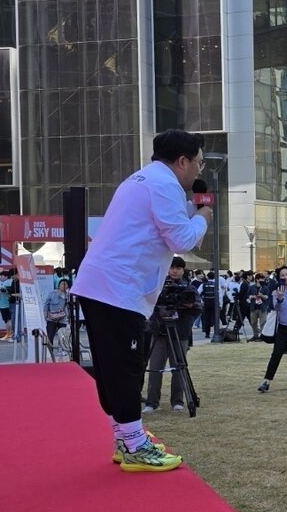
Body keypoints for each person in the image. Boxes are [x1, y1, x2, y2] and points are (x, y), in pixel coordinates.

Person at [70, 129, 212, 472]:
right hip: (118, 290)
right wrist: (202, 218)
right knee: (127, 366)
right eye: (198, 163)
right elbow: (181, 239)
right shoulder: (164, 185)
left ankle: (125, 438)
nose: (198, 171)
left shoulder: (140, 179)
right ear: (182, 161)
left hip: (104, 286)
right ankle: (135, 444)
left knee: (114, 367)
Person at [143, 257, 199, 413]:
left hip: (179, 332)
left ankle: (178, 401)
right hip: (159, 332)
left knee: (179, 367)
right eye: (172, 267)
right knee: (155, 367)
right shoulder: (158, 286)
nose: (175, 271)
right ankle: (151, 402)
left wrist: (188, 305)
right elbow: (147, 304)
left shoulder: (189, 288)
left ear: (183, 270)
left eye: (178, 268)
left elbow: (198, 307)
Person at [44, 278, 71, 352]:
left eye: (66, 284)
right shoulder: (52, 293)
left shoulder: (68, 295)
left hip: (62, 319)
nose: (63, 286)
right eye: (62, 284)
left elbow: (70, 307)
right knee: (50, 336)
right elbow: (46, 304)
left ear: (68, 286)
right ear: (59, 285)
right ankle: (50, 351)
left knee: (63, 336)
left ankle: (63, 351)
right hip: (51, 318)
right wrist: (45, 314)